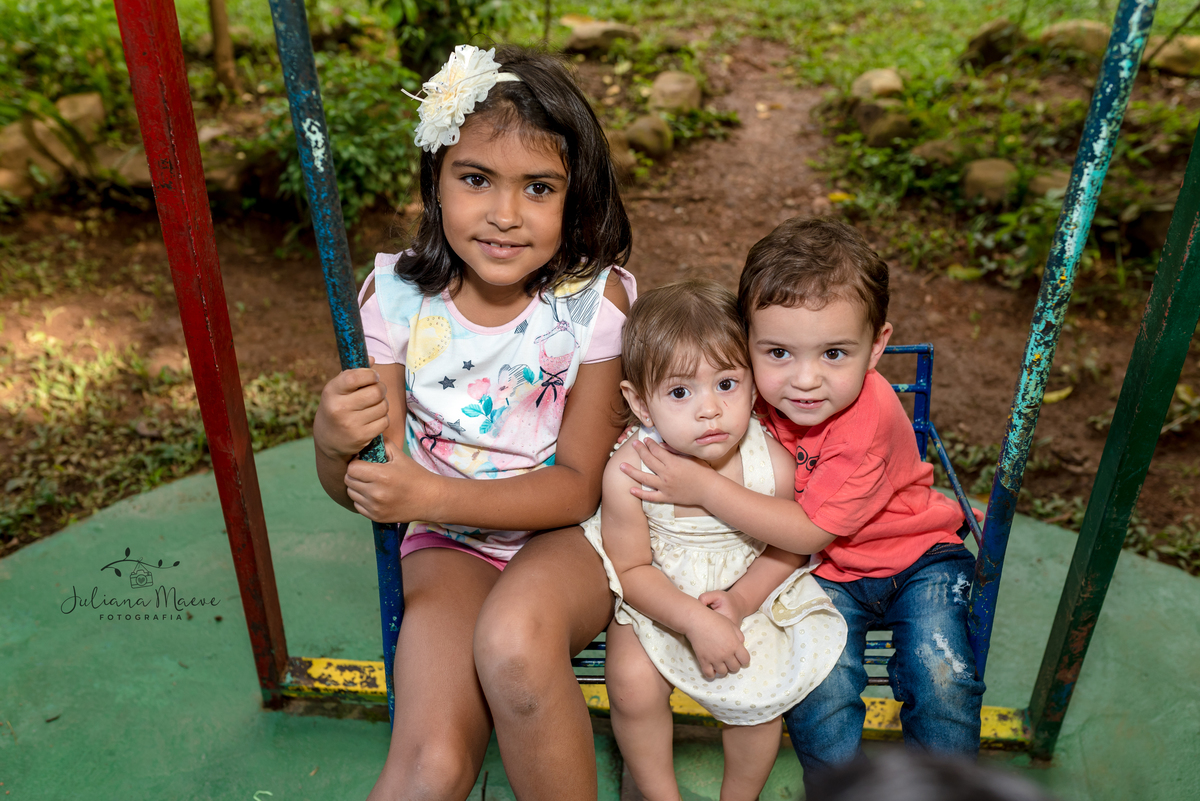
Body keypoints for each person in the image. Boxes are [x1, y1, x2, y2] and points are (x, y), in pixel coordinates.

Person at [312, 45, 635, 801]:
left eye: (539, 187)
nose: (504, 214)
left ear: (574, 196)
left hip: (569, 540)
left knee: (513, 645)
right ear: (436, 180)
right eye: (476, 178)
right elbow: (378, 485)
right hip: (449, 550)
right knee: (430, 767)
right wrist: (334, 445)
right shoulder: (392, 299)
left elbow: (577, 489)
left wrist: (427, 496)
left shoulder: (592, 306)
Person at [621, 218, 985, 791]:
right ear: (748, 345)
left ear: (877, 347)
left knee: (940, 672)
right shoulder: (749, 399)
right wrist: (740, 597)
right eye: (779, 352)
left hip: (917, 559)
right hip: (824, 577)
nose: (805, 381)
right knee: (823, 688)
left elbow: (809, 531)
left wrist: (704, 488)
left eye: (835, 352)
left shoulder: (869, 419)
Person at [585, 280, 846, 801]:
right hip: (657, 601)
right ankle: (661, 795)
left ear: (752, 383)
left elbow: (788, 547)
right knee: (630, 682)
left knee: (758, 702)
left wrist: (740, 602)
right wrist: (691, 618)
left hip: (748, 596)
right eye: (680, 392)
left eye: (726, 384)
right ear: (640, 402)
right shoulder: (630, 473)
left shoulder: (768, 465)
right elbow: (632, 571)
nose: (709, 409)